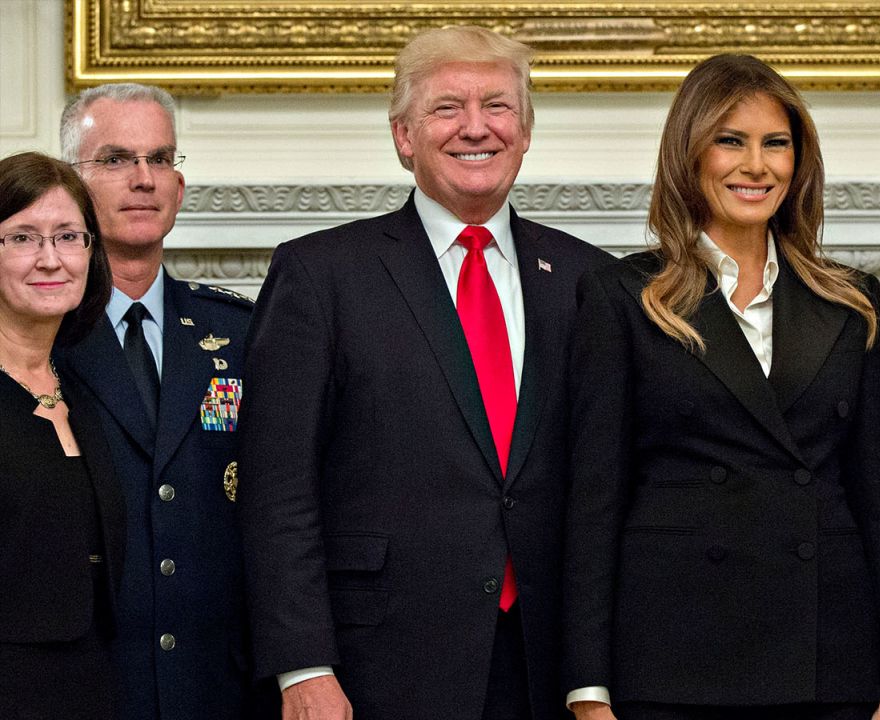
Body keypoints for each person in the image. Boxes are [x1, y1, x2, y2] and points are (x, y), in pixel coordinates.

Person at [235, 25, 614, 720]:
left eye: (498, 106)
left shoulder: (591, 280)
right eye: (447, 108)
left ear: (526, 131)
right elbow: (276, 488)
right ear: (403, 136)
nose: (477, 128)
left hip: (550, 664)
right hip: (377, 663)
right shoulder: (321, 276)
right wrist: (303, 665)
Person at [562, 54, 880, 720]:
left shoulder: (851, 303)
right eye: (731, 140)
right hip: (671, 662)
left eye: (775, 144)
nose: (756, 165)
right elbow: (593, 501)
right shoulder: (624, 296)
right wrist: (589, 689)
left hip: (828, 660)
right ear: (690, 154)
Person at [55, 83, 261, 720]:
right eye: (116, 159)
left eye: (160, 159)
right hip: (88, 682)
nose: (143, 179)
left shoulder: (241, 332)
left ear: (178, 185)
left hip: (219, 685)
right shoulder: (40, 339)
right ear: (70, 182)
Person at [0, 151, 122, 719]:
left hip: (94, 686)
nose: (50, 259)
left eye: (68, 236)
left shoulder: (81, 385)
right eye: (22, 237)